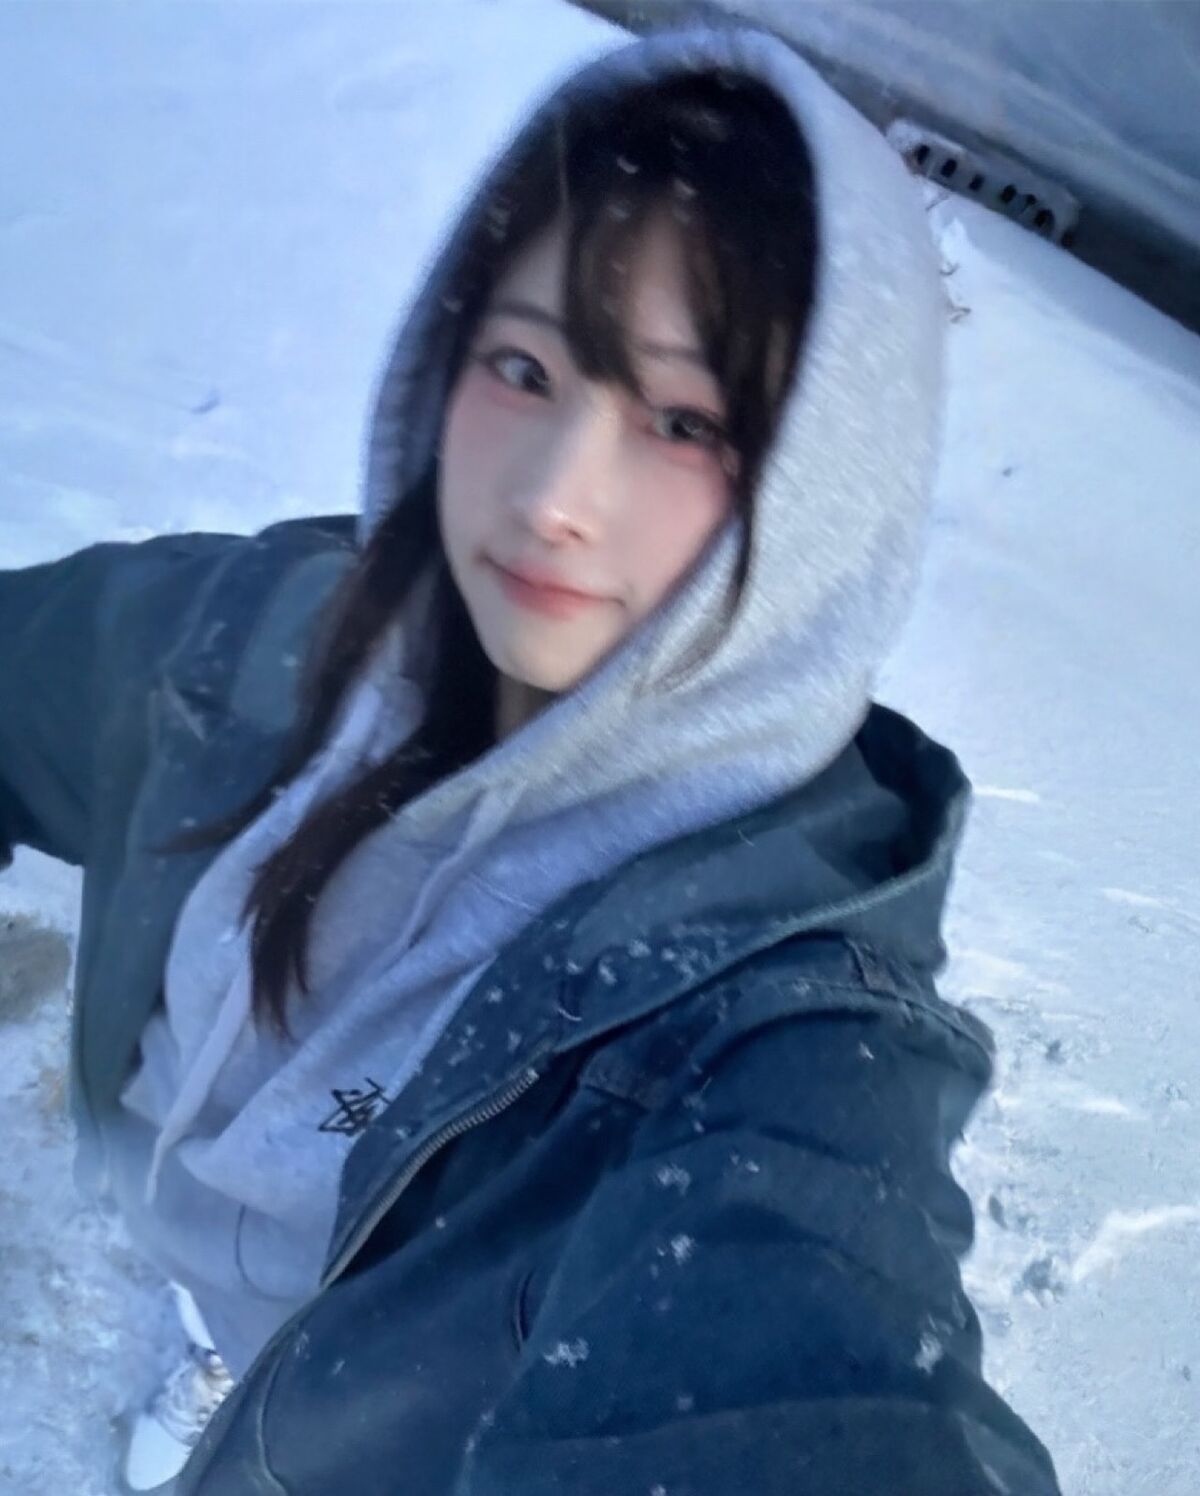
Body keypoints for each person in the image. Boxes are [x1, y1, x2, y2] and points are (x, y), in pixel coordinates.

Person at [0, 21, 1063, 1496]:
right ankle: (234, 1338)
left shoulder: (766, 1036)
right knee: (250, 1280)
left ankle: (281, 1380)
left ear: (824, 494)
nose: (556, 493)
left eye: (682, 420)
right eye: (524, 365)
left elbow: (808, 1360)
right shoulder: (248, 641)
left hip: (367, 1420)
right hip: (220, 1232)